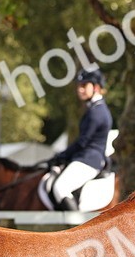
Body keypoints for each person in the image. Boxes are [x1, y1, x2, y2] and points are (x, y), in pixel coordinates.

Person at [48, 68, 112, 210]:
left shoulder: (97, 112)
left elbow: (83, 142)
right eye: (79, 86)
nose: (80, 90)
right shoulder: (95, 109)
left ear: (95, 87)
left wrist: (61, 155)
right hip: (86, 157)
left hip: (89, 159)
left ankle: (76, 228)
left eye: (84, 86)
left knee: (60, 187)